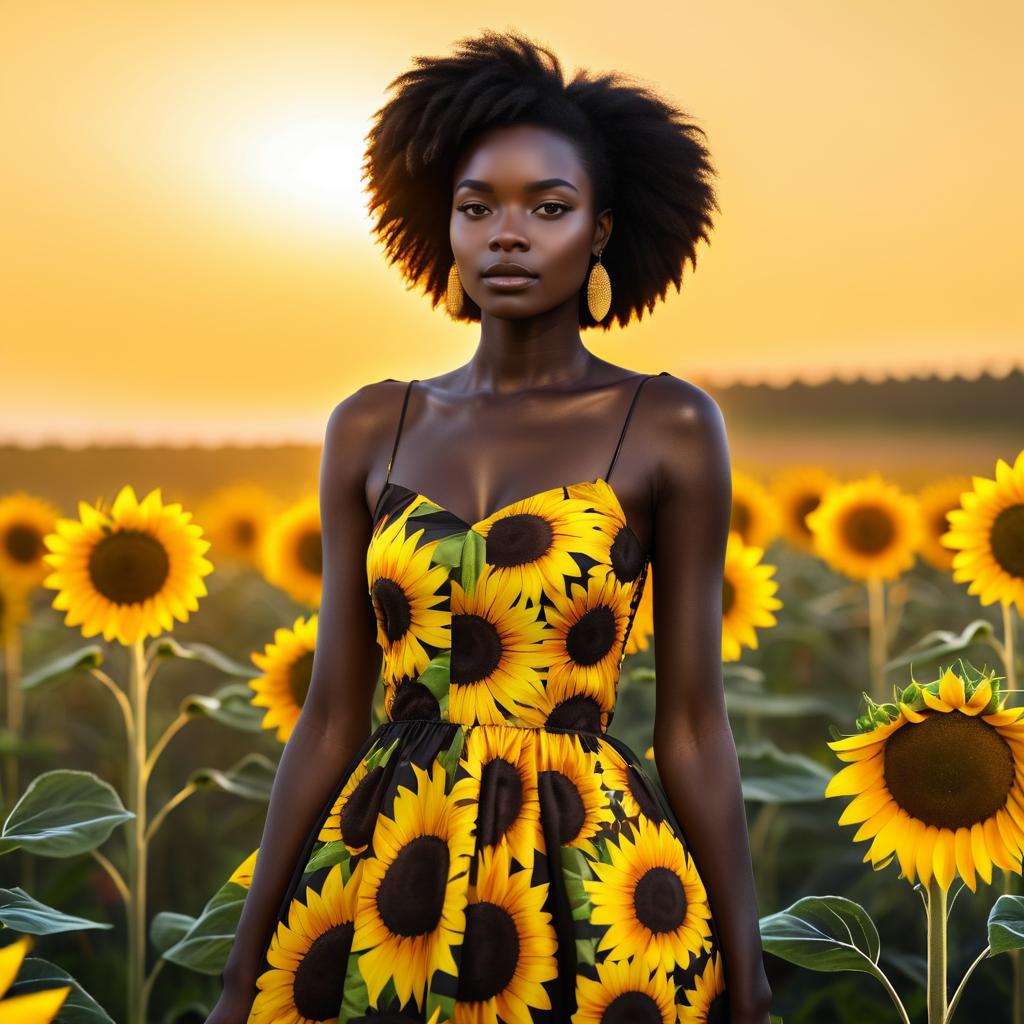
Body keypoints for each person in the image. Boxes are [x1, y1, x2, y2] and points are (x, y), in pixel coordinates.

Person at [207, 28, 773, 1024]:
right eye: (478, 207)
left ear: (598, 229)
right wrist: (238, 968)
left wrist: (749, 966)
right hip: (386, 870)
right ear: (446, 225)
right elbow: (335, 714)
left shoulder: (669, 425)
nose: (506, 234)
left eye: (547, 208)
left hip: (589, 874)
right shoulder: (371, 424)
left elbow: (689, 723)